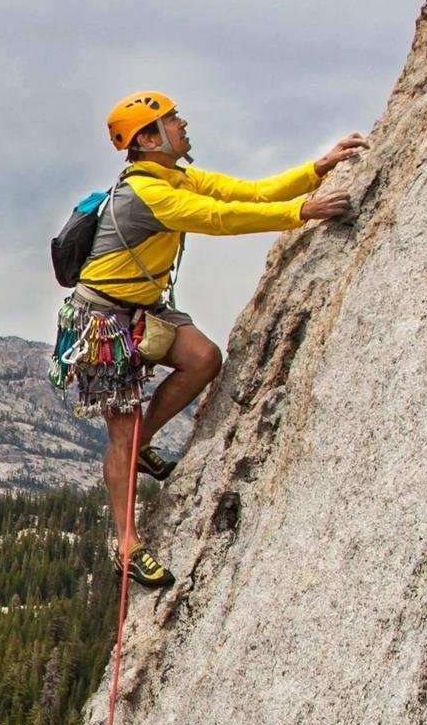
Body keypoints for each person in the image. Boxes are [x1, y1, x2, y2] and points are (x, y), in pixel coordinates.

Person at [51, 91, 368, 590]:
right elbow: (219, 219)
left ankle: (141, 445)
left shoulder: (173, 178)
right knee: (121, 434)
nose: (183, 124)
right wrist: (302, 212)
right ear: (148, 139)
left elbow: (244, 193)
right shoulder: (150, 194)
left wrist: (315, 171)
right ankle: (127, 545)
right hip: (103, 320)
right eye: (171, 120)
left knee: (203, 358)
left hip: (139, 307)